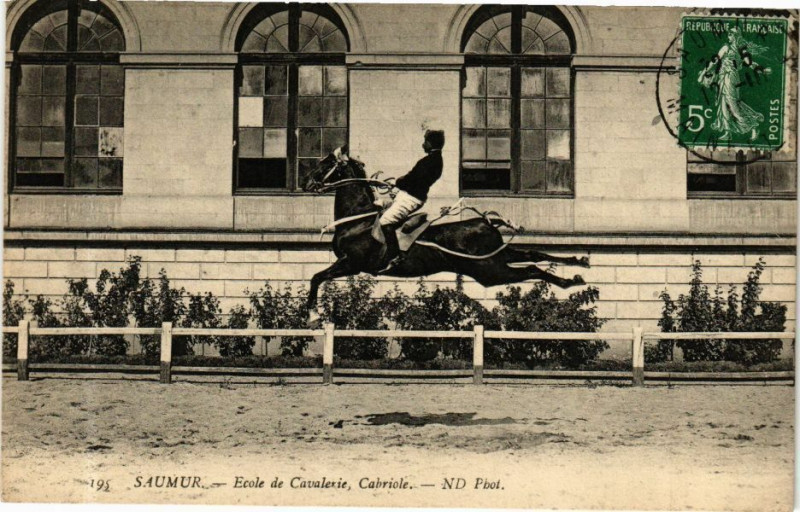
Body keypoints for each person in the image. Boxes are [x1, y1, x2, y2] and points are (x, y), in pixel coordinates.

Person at [373, 129, 444, 270]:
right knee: (378, 204)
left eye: (425, 141)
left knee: (385, 221)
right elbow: (412, 177)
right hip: (409, 196)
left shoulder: (430, 161)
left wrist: (398, 182)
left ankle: (394, 256)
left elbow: (414, 179)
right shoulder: (433, 159)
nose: (423, 145)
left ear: (430, 143)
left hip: (411, 198)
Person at [698, 27, 770, 142]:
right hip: (724, 77)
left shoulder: (740, 50)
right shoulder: (726, 47)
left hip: (731, 78)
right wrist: (703, 73)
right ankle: (727, 132)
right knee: (723, 104)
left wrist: (761, 69)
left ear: (736, 36)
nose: (729, 36)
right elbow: (714, 61)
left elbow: (749, 63)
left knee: (732, 105)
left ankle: (752, 125)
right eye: (729, 34)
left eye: (731, 34)